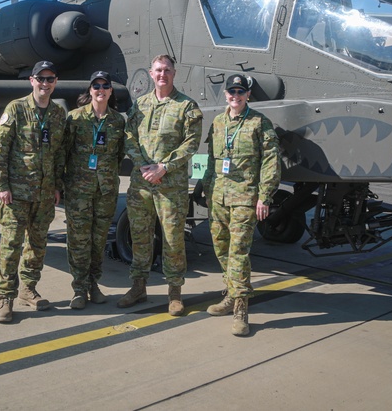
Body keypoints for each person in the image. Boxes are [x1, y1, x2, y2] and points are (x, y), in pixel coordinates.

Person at [196, 73, 281, 336]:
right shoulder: (218, 123)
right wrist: (206, 189)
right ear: (226, 95)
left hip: (245, 198)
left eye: (240, 92)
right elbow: (211, 160)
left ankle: (241, 308)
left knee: (238, 253)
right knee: (221, 249)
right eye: (231, 92)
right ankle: (231, 294)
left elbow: (271, 162)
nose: (235, 96)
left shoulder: (259, 123)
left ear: (247, 95)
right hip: (219, 197)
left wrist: (265, 197)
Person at [119, 54, 203, 316]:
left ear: (174, 73)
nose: (162, 74)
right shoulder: (140, 105)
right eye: (158, 70)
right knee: (140, 236)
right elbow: (128, 136)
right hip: (141, 183)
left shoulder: (187, 107)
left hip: (171, 185)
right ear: (151, 73)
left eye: (167, 70)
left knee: (173, 239)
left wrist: (164, 167)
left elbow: (191, 143)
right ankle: (138, 286)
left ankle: (175, 293)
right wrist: (142, 163)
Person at [0, 60, 67, 324]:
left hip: (45, 194)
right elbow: (0, 149)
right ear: (32, 81)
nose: (45, 84)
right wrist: (1, 186)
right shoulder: (16, 108)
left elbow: (58, 155)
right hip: (17, 193)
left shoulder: (58, 114)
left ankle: (28, 289)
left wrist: (57, 185)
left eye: (50, 79)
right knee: (11, 246)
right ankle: (5, 298)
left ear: (55, 82)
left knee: (37, 246)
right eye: (40, 79)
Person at [62, 71, 126, 309]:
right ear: (90, 90)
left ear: (110, 91)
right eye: (96, 85)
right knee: (79, 241)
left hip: (106, 191)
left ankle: (93, 285)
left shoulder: (118, 121)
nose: (100, 89)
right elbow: (63, 153)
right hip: (79, 191)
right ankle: (79, 289)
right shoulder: (75, 119)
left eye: (105, 85)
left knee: (99, 240)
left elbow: (119, 155)